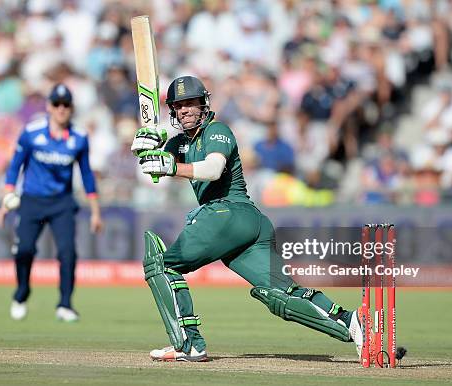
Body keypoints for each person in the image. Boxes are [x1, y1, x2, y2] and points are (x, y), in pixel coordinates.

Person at [131, 76, 369, 362]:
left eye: (190, 103)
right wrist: (144, 148)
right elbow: (153, 176)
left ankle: (189, 344)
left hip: (228, 212)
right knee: (282, 295)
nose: (184, 110)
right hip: (247, 228)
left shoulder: (218, 130)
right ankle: (354, 323)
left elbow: (213, 169)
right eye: (178, 105)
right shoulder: (178, 143)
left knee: (162, 266)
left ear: (203, 104)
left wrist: (168, 164)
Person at [0, 83, 103, 322]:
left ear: (72, 108)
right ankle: (22, 293)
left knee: (68, 253)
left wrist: (96, 212)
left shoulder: (79, 137)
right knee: (24, 249)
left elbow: (87, 175)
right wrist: (6, 199)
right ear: (49, 106)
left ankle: (65, 304)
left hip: (62, 203)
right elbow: (15, 166)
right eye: (57, 104)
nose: (61, 109)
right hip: (32, 200)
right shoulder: (31, 132)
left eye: (66, 105)